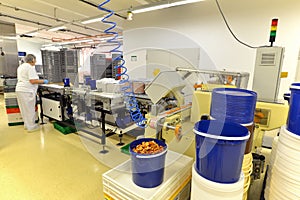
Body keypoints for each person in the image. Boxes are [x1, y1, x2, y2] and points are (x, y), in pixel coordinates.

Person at [15, 54, 48, 132]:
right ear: (32, 60)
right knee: (29, 109)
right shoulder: (30, 67)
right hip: (27, 91)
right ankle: (31, 127)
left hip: (20, 89)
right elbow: (32, 81)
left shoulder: (21, 66)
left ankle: (27, 125)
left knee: (24, 109)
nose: (35, 62)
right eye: (35, 60)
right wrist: (44, 81)